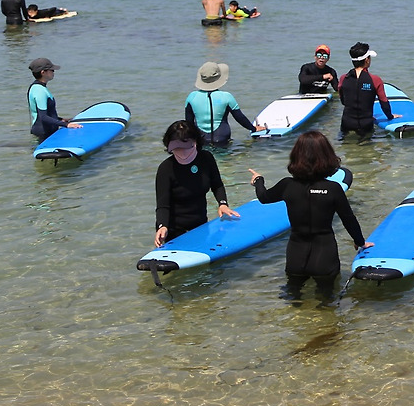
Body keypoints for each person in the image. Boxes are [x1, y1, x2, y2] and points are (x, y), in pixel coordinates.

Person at [249, 131, 369, 298]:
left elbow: (263, 197)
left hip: (295, 258)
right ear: (327, 157)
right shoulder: (333, 189)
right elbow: (348, 219)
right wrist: (360, 242)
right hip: (324, 258)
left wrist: (258, 181)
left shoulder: (287, 185)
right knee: (327, 304)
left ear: (296, 156)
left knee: (294, 302)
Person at [154, 120, 238, 245]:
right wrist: (162, 226)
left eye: (186, 148)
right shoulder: (165, 169)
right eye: (177, 149)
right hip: (173, 230)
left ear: (196, 142)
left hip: (201, 226)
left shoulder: (206, 158)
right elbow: (163, 205)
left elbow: (217, 185)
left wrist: (222, 204)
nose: (182, 153)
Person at [185, 62, 266, 145]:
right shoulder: (226, 96)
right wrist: (253, 129)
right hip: (222, 137)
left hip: (201, 139)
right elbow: (239, 118)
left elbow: (189, 124)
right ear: (218, 78)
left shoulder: (192, 97)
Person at [337, 42, 393, 138]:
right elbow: (384, 102)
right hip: (365, 123)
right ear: (367, 60)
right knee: (367, 149)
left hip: (347, 122)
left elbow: (343, 100)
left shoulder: (343, 78)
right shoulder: (375, 80)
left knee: (346, 148)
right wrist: (390, 116)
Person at [27, 57, 81, 139]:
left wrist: (60, 119)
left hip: (46, 132)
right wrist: (66, 125)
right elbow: (43, 117)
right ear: (43, 72)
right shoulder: (39, 90)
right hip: (43, 134)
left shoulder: (38, 87)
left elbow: (45, 113)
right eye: (51, 70)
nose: (53, 72)